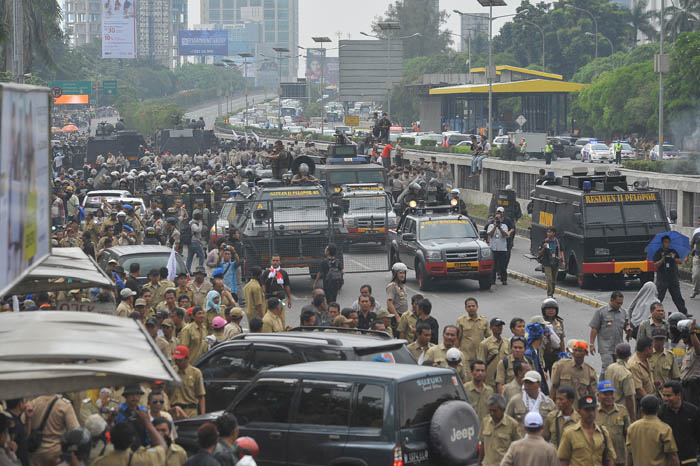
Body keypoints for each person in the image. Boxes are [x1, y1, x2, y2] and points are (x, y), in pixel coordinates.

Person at [557, 395, 616, 466]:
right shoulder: (569, 433)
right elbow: (563, 459)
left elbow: (609, 457)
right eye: (587, 410)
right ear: (579, 412)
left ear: (596, 410)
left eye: (593, 409)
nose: (591, 413)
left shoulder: (603, 432)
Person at [626, 395, 680, 466]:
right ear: (658, 409)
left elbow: (630, 454)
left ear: (642, 410)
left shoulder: (632, 428)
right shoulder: (664, 428)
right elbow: (673, 456)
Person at [91, 417, 167, 466]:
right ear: (132, 440)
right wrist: (148, 423)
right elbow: (163, 447)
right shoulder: (143, 459)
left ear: (111, 440)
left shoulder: (99, 462)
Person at [28, 395, 79, 466]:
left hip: (35, 455)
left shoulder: (33, 403)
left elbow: (24, 425)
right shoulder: (65, 406)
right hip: (55, 456)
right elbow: (76, 432)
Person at [659, 380, 700, 466]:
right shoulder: (661, 413)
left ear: (679, 395)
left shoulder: (692, 411)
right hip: (669, 459)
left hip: (689, 459)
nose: (665, 399)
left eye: (668, 396)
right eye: (664, 395)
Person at [589, 291, 629, 376]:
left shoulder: (623, 312)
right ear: (611, 301)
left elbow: (626, 325)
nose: (619, 305)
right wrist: (591, 344)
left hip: (618, 347)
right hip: (605, 347)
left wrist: (628, 329)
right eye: (618, 303)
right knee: (607, 368)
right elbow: (594, 329)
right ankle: (603, 387)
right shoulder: (601, 312)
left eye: (621, 303)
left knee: (618, 369)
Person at [477, 394, 520, 466]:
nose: (492, 413)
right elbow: (483, 444)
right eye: (490, 410)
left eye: (494, 411)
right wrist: (479, 463)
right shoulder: (485, 421)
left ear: (503, 410)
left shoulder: (512, 424)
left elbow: (518, 448)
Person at [595, 380, 631, 466]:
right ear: (598, 396)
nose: (609, 397)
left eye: (611, 394)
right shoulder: (594, 412)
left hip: (619, 459)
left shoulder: (622, 411)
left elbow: (629, 435)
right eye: (605, 394)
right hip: (599, 459)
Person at [168, 345, 206, 419]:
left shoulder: (196, 373)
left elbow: (201, 396)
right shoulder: (171, 371)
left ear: (187, 359)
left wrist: (202, 416)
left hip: (190, 412)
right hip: (174, 412)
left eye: (180, 360)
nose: (177, 362)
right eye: (176, 360)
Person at [653, 235, 688, 314]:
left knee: (677, 296)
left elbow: (680, 261)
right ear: (662, 243)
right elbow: (656, 265)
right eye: (665, 242)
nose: (667, 244)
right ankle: (654, 312)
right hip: (662, 278)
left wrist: (673, 258)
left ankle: (683, 312)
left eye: (668, 242)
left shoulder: (673, 251)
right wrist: (663, 258)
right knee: (659, 297)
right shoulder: (658, 252)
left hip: (673, 277)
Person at [603, 343, 637, 423]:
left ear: (616, 354)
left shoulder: (610, 368)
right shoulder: (626, 374)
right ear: (629, 354)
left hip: (609, 407)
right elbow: (629, 398)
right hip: (622, 412)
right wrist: (633, 417)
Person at [477, 318, 509, 390]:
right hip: (490, 381)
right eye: (497, 326)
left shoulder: (507, 342)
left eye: (500, 326)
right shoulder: (485, 344)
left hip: (503, 381)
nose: (499, 328)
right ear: (491, 328)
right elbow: (481, 363)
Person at [456, 297, 491, 363]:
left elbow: (489, 337)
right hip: (466, 357)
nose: (471, 308)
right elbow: (457, 338)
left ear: (477, 307)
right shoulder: (461, 321)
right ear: (466, 308)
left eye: (473, 306)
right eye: (469, 306)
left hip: (480, 357)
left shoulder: (484, 320)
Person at [628, 337, 656, 418]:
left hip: (650, 398)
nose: (653, 350)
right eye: (652, 348)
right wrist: (652, 404)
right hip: (643, 405)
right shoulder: (634, 365)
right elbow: (639, 389)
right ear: (647, 349)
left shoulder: (645, 360)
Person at [649, 328, 680, 395]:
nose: (659, 342)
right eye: (657, 339)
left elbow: (676, 377)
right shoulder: (648, 354)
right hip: (650, 393)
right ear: (652, 340)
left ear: (665, 340)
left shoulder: (671, 355)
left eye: (661, 339)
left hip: (666, 394)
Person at [538, 227, 564, 298]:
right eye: (547, 232)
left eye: (550, 232)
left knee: (554, 280)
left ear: (554, 233)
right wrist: (544, 248)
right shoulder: (545, 241)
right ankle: (549, 294)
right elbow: (539, 252)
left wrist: (563, 261)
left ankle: (552, 293)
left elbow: (561, 251)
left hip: (555, 262)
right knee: (549, 279)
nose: (548, 233)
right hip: (547, 263)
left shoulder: (557, 242)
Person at [541, 298, 565, 373]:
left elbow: (561, 339)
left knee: (555, 379)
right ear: (544, 310)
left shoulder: (559, 323)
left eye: (553, 309)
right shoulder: (540, 322)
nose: (551, 311)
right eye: (548, 309)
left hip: (555, 354)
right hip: (543, 354)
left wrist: (563, 354)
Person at [487, 215, 509, 285]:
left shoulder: (504, 226)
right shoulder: (490, 226)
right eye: (496, 219)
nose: (497, 221)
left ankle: (504, 279)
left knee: (502, 266)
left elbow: (505, 235)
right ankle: (492, 280)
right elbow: (490, 234)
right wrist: (494, 227)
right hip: (493, 248)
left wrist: (499, 228)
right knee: (493, 266)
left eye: (499, 219)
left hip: (502, 248)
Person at [691, 216, 700, 298]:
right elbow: (691, 243)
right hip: (697, 256)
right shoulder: (696, 231)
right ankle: (696, 290)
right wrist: (688, 254)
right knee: (696, 275)